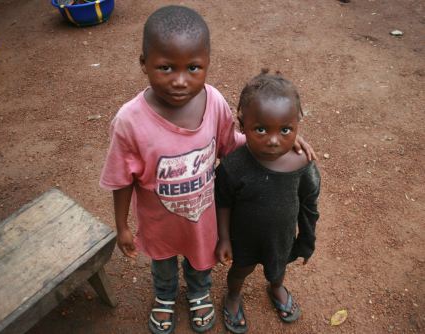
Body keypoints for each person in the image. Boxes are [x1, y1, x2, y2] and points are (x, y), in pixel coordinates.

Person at [100, 6, 315, 334]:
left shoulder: (213, 102)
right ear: (144, 63)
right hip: (159, 221)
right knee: (163, 264)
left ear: (207, 63)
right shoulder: (130, 121)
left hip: (202, 217)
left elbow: (233, 142)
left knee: (201, 261)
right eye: (166, 67)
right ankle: (165, 297)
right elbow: (121, 178)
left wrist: (283, 140)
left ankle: (199, 293)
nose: (180, 80)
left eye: (194, 67)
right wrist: (122, 226)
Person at [215, 70, 321, 333]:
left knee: (278, 268)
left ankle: (276, 287)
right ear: (242, 124)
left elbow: (309, 204)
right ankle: (232, 296)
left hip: (281, 237)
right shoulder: (233, 166)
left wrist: (307, 240)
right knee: (239, 272)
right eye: (260, 129)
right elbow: (223, 203)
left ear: (297, 125)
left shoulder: (302, 163)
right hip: (244, 238)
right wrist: (224, 238)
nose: (274, 140)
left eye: (285, 130)